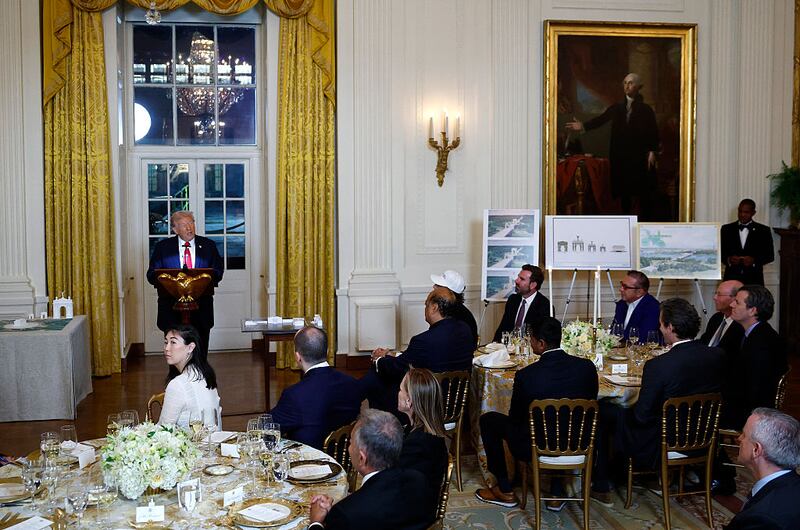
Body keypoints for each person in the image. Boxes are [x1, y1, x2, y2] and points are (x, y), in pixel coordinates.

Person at [592, 298, 724, 506]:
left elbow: (642, 416)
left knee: (601, 410)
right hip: (703, 435)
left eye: (661, 324)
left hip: (661, 440)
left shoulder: (659, 365)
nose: (659, 328)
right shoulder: (717, 355)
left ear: (670, 327)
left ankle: (601, 483)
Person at [475, 317, 599, 510]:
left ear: (541, 343)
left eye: (531, 339)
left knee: (488, 420)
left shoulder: (527, 375)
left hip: (535, 447)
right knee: (565, 422)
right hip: (578, 443)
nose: (530, 342)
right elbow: (590, 408)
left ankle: (505, 490)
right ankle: (556, 493)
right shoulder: (587, 368)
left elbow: (515, 418)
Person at [308, 410, 433, 530]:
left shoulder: (346, 514)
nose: (349, 448)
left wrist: (316, 522)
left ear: (362, 458)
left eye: (351, 443)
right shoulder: (419, 480)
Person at [363, 286, 474, 416]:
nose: (425, 309)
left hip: (428, 408)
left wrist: (378, 360)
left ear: (434, 308)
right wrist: (390, 356)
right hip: (454, 405)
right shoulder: (465, 330)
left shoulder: (424, 340)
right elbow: (419, 358)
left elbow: (398, 369)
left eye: (426, 305)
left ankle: (385, 430)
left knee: (377, 379)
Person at [565, 73, 659, 213]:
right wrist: (583, 126)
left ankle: (640, 224)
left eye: (631, 83)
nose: (627, 85)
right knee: (623, 192)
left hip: (638, 155)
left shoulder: (646, 110)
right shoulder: (616, 108)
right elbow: (601, 120)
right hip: (620, 155)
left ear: (639, 87)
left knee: (640, 191)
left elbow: (653, 131)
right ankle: (626, 222)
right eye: (625, 83)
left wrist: (652, 151)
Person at [269, 327, 362, 450]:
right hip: (343, 460)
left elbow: (266, 428)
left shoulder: (294, 395)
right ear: (328, 351)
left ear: (298, 357)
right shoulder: (352, 384)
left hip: (309, 463)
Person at [146, 211, 224, 354]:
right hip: (171, 310)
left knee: (200, 351)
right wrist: (170, 282)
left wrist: (200, 281)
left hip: (201, 309)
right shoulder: (163, 248)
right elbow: (151, 275)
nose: (189, 228)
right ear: (175, 229)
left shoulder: (208, 246)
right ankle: (177, 376)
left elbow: (218, 272)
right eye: (184, 225)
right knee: (175, 353)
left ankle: (200, 376)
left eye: (191, 223)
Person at [723, 285, 787, 430]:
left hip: (751, 413)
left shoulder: (762, 343)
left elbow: (755, 390)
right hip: (748, 405)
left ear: (753, 310)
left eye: (737, 302)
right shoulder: (754, 332)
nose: (731, 304)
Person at [724, 408, 800, 529]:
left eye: (744, 435)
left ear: (756, 450)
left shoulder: (763, 518)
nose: (739, 439)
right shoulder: (792, 483)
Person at [396, 368, 449, 499]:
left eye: (400, 390)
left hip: (414, 509)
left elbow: (398, 483)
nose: (398, 393)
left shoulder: (418, 443)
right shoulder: (424, 430)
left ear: (409, 401)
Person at [158, 324, 221, 428]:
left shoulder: (177, 385)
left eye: (173, 342)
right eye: (166, 342)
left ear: (190, 347)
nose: (167, 348)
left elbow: (163, 429)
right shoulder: (205, 373)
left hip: (197, 442)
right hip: (214, 440)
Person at [721, 199, 775, 286]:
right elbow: (720, 253)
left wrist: (754, 261)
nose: (742, 215)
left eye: (746, 212)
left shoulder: (763, 230)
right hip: (731, 278)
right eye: (740, 211)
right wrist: (729, 259)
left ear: (753, 213)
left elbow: (770, 256)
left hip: (754, 280)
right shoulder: (726, 229)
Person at [493, 264, 552, 342]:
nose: (516, 280)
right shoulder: (513, 300)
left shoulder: (544, 306)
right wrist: (494, 346)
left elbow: (541, 339)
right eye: (518, 277)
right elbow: (503, 328)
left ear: (533, 285)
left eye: (522, 279)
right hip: (508, 349)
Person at [431, 269, 478, 345]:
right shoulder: (453, 309)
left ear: (449, 292)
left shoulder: (453, 315)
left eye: (438, 285)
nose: (434, 287)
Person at [611, 270, 660, 343]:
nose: (620, 289)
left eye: (625, 287)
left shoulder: (653, 308)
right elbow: (614, 330)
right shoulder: (621, 304)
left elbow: (643, 337)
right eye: (621, 284)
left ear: (639, 292)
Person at [699, 280, 744, 357]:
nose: (714, 298)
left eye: (719, 294)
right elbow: (703, 342)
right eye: (715, 293)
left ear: (735, 298)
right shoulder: (716, 318)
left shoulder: (742, 325)